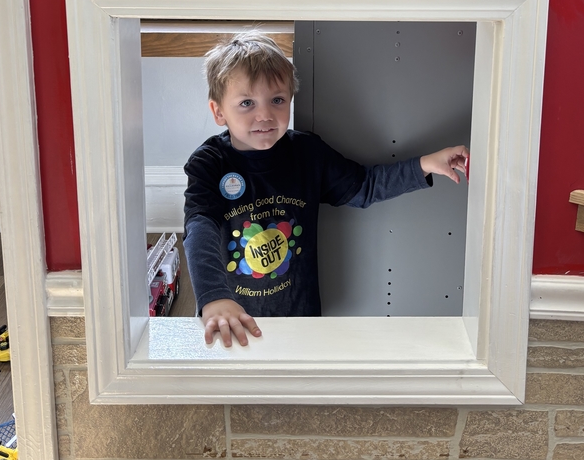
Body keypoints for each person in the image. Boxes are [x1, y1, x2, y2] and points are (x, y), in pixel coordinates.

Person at [183, 31, 468, 347]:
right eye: (247, 103)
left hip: (300, 319)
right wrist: (213, 298)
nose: (264, 115)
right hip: (232, 320)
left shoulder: (307, 153)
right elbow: (200, 228)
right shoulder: (209, 163)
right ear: (219, 111)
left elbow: (363, 185)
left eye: (277, 100)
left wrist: (425, 164)